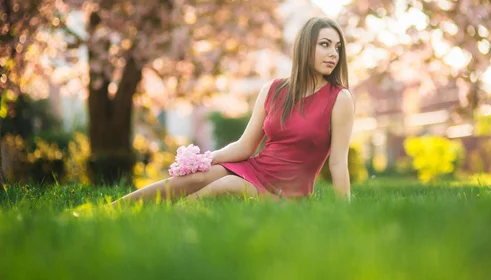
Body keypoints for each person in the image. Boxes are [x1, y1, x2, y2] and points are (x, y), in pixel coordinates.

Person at [111, 17, 354, 205]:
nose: (334, 53)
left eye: (338, 47)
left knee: (226, 184)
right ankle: (110, 210)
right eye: (325, 44)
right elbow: (245, 146)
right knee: (193, 179)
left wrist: (344, 214)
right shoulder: (273, 89)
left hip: (287, 196)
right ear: (305, 47)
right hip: (256, 168)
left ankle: (162, 219)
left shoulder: (339, 98)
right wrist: (203, 161)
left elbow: (338, 163)